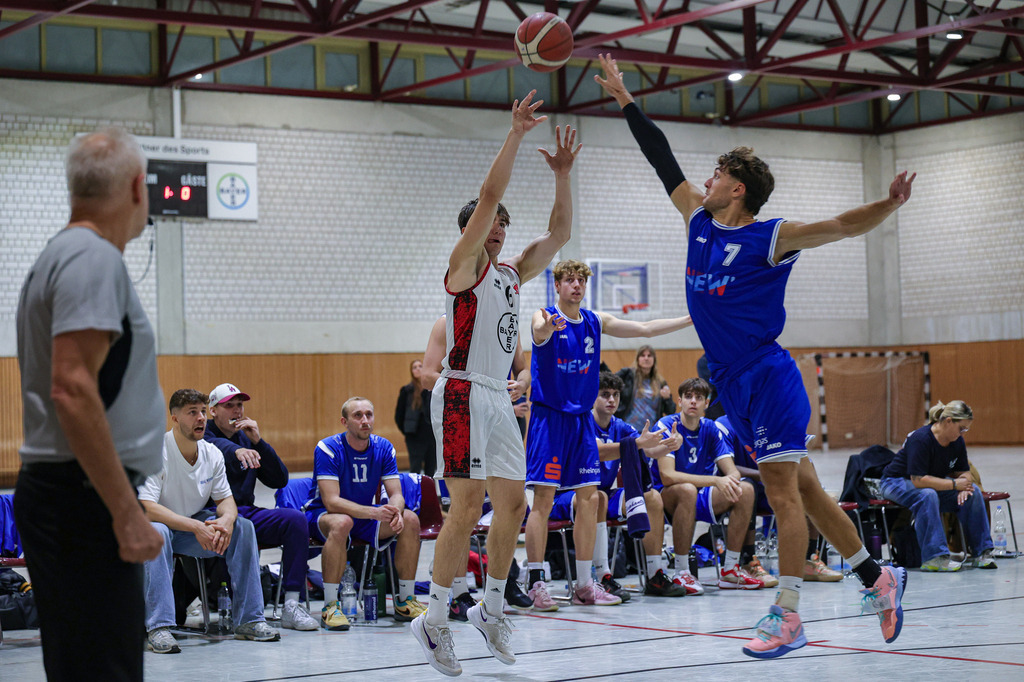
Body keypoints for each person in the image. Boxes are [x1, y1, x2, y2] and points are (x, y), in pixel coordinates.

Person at [596, 53, 914, 659]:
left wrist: (889, 205)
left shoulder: (765, 237)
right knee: (812, 492)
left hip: (768, 375)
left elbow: (842, 225)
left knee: (782, 492)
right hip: (731, 384)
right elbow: (660, 156)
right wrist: (626, 103)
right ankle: (878, 577)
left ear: (736, 189)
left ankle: (787, 613)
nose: (704, 182)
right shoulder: (698, 222)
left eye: (715, 176)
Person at [411, 92, 581, 678]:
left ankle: (491, 606)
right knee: (465, 506)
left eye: (506, 225)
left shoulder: (511, 275)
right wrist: (513, 134)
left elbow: (560, 233)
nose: (500, 231)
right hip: (459, 392)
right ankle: (433, 620)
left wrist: (563, 175)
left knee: (510, 504)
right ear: (474, 229)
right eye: (494, 224)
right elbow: (487, 197)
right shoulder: (464, 265)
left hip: (497, 396)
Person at [14, 127, 166, 680]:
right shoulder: (91, 258)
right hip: (83, 499)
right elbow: (73, 388)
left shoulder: (62, 255)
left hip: (70, 493)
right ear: (134, 188)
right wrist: (126, 513)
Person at [524, 259, 692, 609]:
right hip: (550, 419)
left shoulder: (594, 322)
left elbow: (645, 328)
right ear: (557, 285)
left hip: (580, 420)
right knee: (542, 500)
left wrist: (690, 319)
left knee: (591, 497)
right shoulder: (544, 316)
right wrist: (547, 327)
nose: (575, 286)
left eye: (580, 280)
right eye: (569, 280)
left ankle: (585, 582)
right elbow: (539, 330)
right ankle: (536, 580)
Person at [139, 389, 279, 653]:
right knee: (157, 533)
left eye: (202, 412)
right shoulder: (157, 452)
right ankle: (159, 627)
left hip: (194, 526)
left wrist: (226, 521)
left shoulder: (211, 453)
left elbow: (226, 501)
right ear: (174, 418)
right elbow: (146, 508)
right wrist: (196, 527)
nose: (200, 418)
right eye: (192, 412)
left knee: (243, 527)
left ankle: (250, 620)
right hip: (161, 526)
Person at [420, 314, 535, 618]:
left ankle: (497, 597)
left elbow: (523, 369)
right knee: (466, 510)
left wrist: (520, 384)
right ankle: (452, 597)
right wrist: (472, 385)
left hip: (501, 410)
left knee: (513, 506)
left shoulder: (506, 320)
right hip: (461, 407)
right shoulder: (448, 322)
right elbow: (428, 375)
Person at [304, 397, 426, 631]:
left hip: (363, 517)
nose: (365, 420)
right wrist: (373, 512)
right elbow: (331, 502)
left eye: (369, 414)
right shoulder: (328, 448)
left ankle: (404, 600)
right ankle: (330, 605)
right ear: (344, 421)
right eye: (357, 415)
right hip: (322, 515)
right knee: (342, 522)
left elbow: (396, 494)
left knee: (410, 519)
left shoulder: (383, 447)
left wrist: (397, 512)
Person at [203, 382, 318, 631]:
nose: (237, 411)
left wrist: (259, 442)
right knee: (239, 525)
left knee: (295, 520)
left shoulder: (247, 437)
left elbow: (280, 479)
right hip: (214, 514)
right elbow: (214, 446)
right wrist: (237, 450)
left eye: (239, 405)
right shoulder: (205, 434)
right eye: (229, 406)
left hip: (247, 510)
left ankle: (291, 604)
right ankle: (236, 607)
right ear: (213, 410)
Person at [652, 378, 763, 594]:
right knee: (686, 490)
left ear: (707, 403)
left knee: (746, 489)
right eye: (688, 397)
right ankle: (682, 571)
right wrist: (715, 480)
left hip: (699, 494)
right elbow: (667, 476)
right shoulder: (667, 425)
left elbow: (731, 471)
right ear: (679, 401)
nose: (693, 401)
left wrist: (730, 480)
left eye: (699, 398)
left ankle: (730, 569)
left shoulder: (711, 429)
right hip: (666, 496)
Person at [583, 371, 688, 597]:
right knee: (598, 498)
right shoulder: (582, 422)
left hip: (604, 494)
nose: (612, 400)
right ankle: (603, 576)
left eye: (616, 395)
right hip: (575, 494)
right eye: (605, 395)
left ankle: (655, 575)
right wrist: (638, 442)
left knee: (652, 497)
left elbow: (648, 449)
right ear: (593, 397)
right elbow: (600, 452)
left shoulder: (620, 426)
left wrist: (670, 445)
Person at [717, 414, 842, 586]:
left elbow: (798, 460)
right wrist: (766, 475)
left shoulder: (774, 421)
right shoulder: (723, 425)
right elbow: (726, 467)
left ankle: (809, 560)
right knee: (747, 490)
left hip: (771, 485)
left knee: (808, 487)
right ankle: (748, 561)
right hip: (740, 487)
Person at [880, 401, 995, 572]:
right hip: (896, 482)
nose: (963, 433)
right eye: (961, 428)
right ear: (948, 421)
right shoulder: (920, 439)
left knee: (974, 493)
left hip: (931, 483)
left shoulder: (957, 442)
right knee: (927, 495)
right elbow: (918, 480)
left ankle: (981, 553)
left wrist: (965, 486)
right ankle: (935, 557)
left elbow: (964, 472)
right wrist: (955, 485)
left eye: (966, 429)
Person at [615, 345, 676, 432]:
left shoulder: (660, 382)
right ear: (638, 359)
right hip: (629, 429)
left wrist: (667, 399)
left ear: (654, 360)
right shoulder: (627, 375)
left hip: (651, 431)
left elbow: (671, 411)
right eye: (643, 355)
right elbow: (610, 382)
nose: (646, 358)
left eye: (649, 356)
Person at [395, 360, 437, 477]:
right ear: (411, 372)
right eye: (414, 367)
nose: (418, 369)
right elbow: (399, 415)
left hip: (431, 436)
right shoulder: (407, 390)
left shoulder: (432, 389)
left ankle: (429, 494)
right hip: (414, 437)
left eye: (420, 366)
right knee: (415, 469)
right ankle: (414, 494)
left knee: (431, 469)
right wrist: (408, 431)